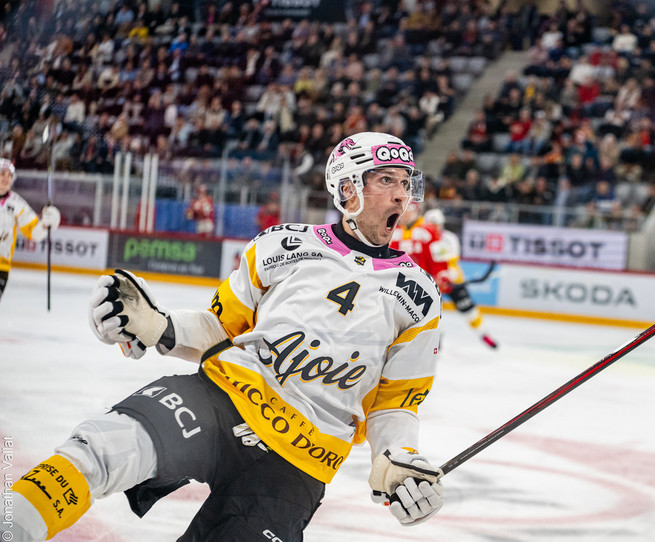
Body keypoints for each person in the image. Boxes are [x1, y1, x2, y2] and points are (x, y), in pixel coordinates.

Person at [5, 132, 444, 541]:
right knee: (100, 448)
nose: (402, 195)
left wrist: (398, 460)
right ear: (348, 188)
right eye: (386, 180)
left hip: (301, 462)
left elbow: (396, 403)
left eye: (405, 183)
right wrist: (158, 326)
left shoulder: (419, 296)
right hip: (221, 398)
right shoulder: (282, 245)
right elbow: (220, 328)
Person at [391, 204, 498, 349]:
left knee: (468, 309)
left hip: (451, 281)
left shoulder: (448, 238)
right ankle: (436, 337)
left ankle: (483, 334)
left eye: (438, 224)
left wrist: (445, 276)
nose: (436, 226)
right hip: (431, 281)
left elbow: (447, 261)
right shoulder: (413, 232)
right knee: (431, 312)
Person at [0, 158, 61, 304]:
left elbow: (34, 233)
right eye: (2, 174)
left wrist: (45, 224)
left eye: (9, 175)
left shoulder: (17, 204)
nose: (6, 178)